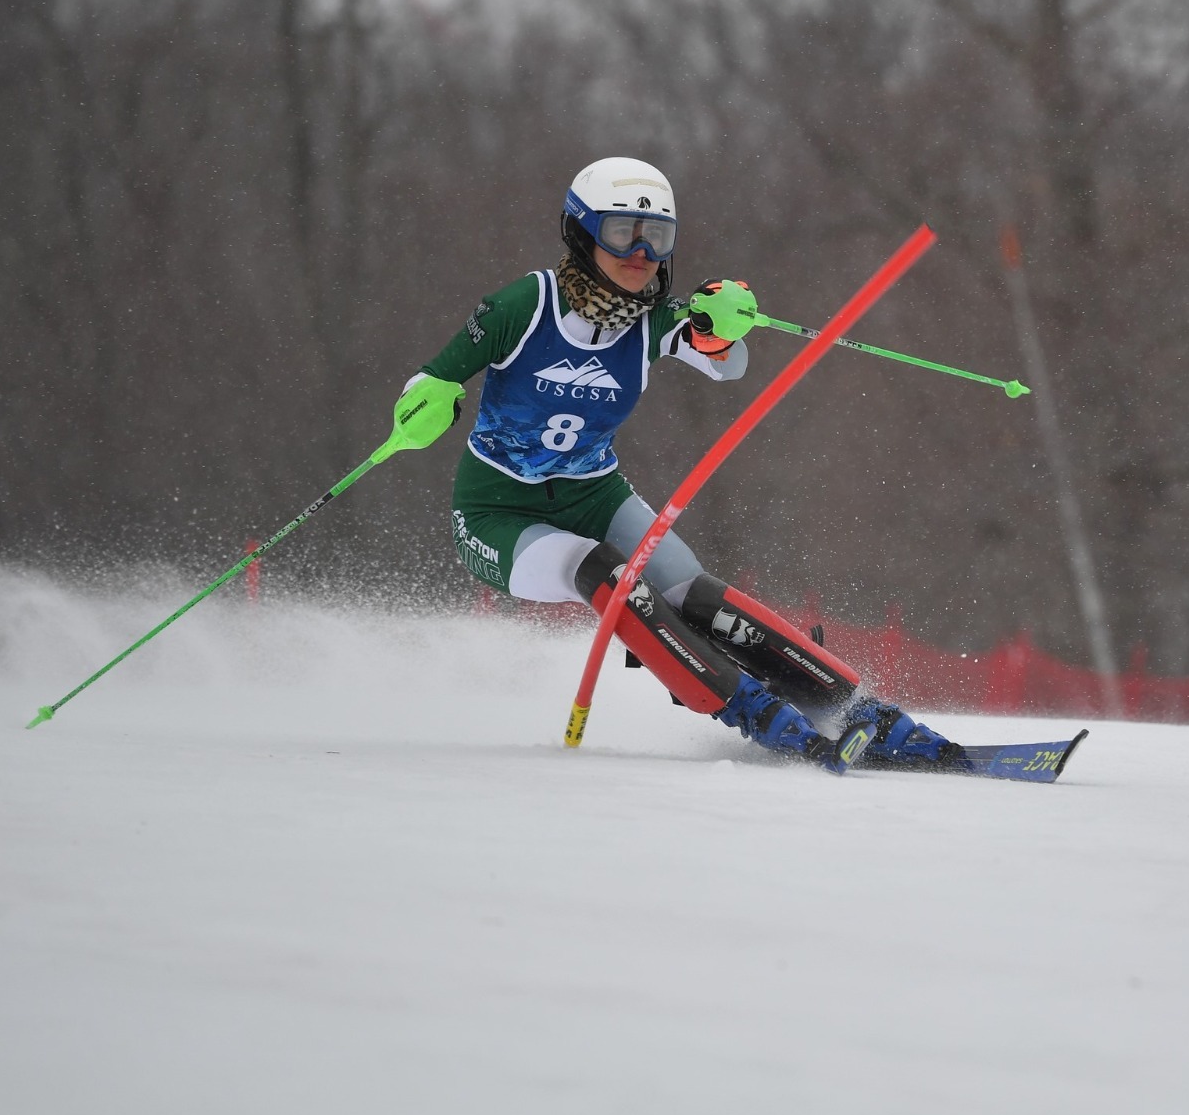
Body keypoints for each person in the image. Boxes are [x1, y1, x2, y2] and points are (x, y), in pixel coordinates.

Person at [405, 156, 966, 774]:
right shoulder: (524, 305)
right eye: (622, 232)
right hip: (498, 512)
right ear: (582, 232)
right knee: (606, 574)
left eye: (658, 237)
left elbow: (726, 364)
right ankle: (757, 714)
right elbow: (431, 378)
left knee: (689, 592)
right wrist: (428, 402)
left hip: (595, 494)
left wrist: (719, 328)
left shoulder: (652, 320)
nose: (641, 252)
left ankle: (864, 713)